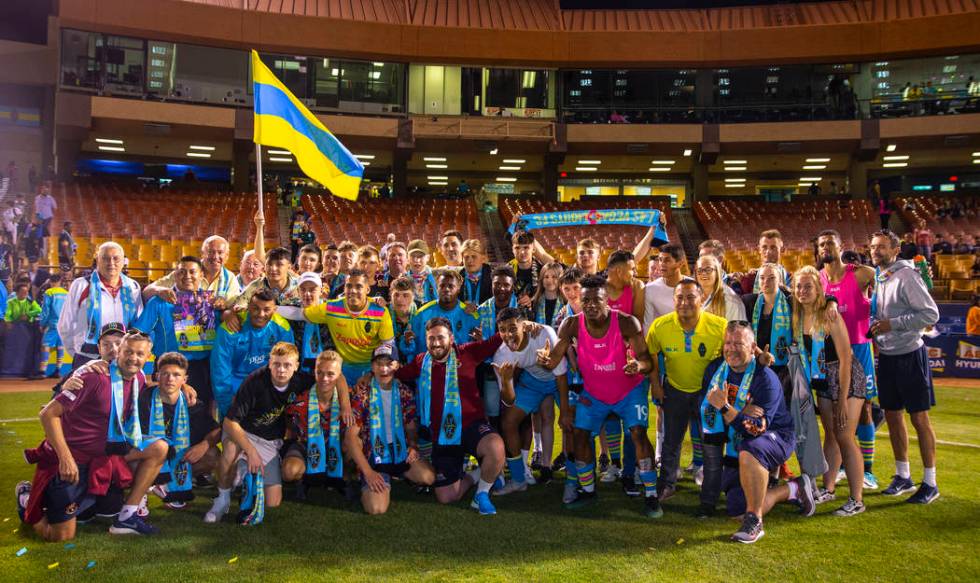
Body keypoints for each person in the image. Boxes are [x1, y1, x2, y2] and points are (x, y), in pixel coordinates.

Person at [18, 331, 168, 539]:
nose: (134, 358)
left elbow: (162, 388)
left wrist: (185, 386)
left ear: (148, 356)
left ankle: (127, 515)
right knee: (62, 535)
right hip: (74, 459)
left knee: (159, 448)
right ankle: (26, 500)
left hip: (106, 456)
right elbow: (47, 414)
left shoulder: (139, 378)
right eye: (128, 352)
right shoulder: (93, 376)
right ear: (119, 352)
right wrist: (66, 458)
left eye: (140, 354)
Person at [538, 275, 663, 517]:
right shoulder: (571, 324)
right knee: (579, 435)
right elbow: (554, 359)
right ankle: (588, 490)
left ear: (607, 301)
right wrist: (544, 360)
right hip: (594, 394)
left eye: (597, 300)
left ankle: (651, 495)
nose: (591, 305)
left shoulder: (627, 323)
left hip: (628, 391)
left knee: (638, 433)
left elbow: (647, 360)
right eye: (586, 300)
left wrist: (638, 365)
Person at [701, 322, 816, 542]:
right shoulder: (715, 371)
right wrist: (739, 410)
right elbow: (707, 413)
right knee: (736, 510)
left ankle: (755, 521)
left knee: (750, 449)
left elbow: (755, 429)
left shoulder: (765, 378)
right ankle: (794, 489)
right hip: (739, 438)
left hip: (777, 436)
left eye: (739, 343)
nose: (732, 348)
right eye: (728, 342)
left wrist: (726, 408)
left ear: (753, 347)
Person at [394, 317, 506, 515]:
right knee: (447, 497)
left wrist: (523, 326)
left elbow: (496, 340)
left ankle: (481, 495)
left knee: (495, 447)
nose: (436, 343)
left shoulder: (468, 352)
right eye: (431, 339)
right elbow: (400, 374)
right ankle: (479, 474)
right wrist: (376, 373)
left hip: (472, 426)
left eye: (440, 337)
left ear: (451, 338)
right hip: (443, 436)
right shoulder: (422, 361)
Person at [868, 230, 941, 504]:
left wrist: (892, 324)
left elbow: (930, 314)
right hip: (887, 355)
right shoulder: (881, 277)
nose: (876, 251)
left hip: (910, 354)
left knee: (919, 419)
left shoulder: (907, 276)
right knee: (893, 416)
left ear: (896, 250)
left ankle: (930, 482)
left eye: (882, 247)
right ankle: (903, 476)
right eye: (873, 247)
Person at [204, 342, 312, 524]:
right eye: (276, 364)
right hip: (243, 433)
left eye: (287, 365)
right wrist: (251, 451)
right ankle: (222, 500)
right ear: (269, 363)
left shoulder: (300, 380)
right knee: (230, 449)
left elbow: (333, 377)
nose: (281, 370)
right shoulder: (255, 382)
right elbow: (230, 423)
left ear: (296, 366)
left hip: (269, 441)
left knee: (273, 502)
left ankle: (245, 470)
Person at [792, 266, 867, 516]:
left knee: (845, 436)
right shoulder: (798, 316)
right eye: (798, 286)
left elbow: (846, 357)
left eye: (808, 286)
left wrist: (843, 399)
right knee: (831, 434)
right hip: (822, 381)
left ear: (818, 289)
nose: (802, 291)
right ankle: (829, 487)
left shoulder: (829, 313)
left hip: (844, 378)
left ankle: (857, 499)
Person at [646, 278, 727, 502]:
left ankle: (711, 490)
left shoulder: (719, 326)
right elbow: (651, 353)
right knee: (671, 442)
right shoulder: (660, 326)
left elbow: (738, 347)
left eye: (691, 297)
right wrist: (656, 385)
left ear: (701, 299)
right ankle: (667, 485)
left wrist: (759, 355)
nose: (685, 302)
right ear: (673, 300)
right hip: (675, 390)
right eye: (680, 297)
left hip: (707, 395)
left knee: (710, 442)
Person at [817, 230, 880, 490]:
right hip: (830, 354)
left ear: (841, 245)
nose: (826, 247)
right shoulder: (818, 278)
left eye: (831, 242)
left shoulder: (861, 273)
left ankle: (868, 470)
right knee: (833, 414)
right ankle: (840, 466)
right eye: (821, 244)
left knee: (864, 409)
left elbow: (885, 279)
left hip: (859, 348)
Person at [346, 346, 435, 514]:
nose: (384, 369)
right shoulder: (362, 395)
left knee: (428, 477)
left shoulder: (404, 392)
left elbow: (410, 426)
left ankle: (398, 475)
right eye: (379, 363)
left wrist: (413, 446)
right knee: (376, 508)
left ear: (397, 366)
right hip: (373, 454)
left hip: (398, 450)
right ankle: (368, 479)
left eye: (389, 363)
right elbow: (350, 437)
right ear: (372, 367)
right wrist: (368, 472)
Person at [492, 307, 568, 495]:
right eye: (502, 330)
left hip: (558, 379)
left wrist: (565, 411)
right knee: (508, 421)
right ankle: (518, 479)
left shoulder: (543, 334)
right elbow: (508, 401)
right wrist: (507, 381)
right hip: (533, 383)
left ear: (524, 327)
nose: (508, 334)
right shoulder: (501, 356)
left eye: (512, 328)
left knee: (571, 423)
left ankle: (575, 480)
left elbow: (561, 376)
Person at [138, 352, 220, 510]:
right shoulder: (144, 398)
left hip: (175, 458)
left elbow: (217, 430)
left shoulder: (191, 403)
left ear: (185, 380)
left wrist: (203, 445)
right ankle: (144, 489)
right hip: (149, 456)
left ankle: (170, 484)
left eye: (176, 375)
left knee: (212, 455)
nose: (170, 379)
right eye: (165, 374)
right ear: (157, 376)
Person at [285, 269, 393, 386]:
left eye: (358, 286)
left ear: (367, 289)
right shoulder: (332, 308)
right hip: (342, 367)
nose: (352, 290)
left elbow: (389, 346)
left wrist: (372, 373)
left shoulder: (380, 311)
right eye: (349, 286)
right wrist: (271, 308)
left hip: (371, 367)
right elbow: (300, 314)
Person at [134, 256, 218, 407]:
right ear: (174, 274)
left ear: (201, 275)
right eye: (182, 272)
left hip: (201, 368)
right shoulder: (159, 302)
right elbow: (140, 334)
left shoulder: (210, 303)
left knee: (199, 413)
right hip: (168, 366)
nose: (187, 276)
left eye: (193, 272)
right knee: (166, 413)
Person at [58, 242, 143, 370]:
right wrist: (77, 352)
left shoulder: (133, 286)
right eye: (105, 258)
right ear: (97, 260)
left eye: (116, 258)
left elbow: (138, 322)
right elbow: (65, 324)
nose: (111, 263)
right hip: (88, 357)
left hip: (123, 358)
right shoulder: (81, 285)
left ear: (123, 261)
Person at [210, 289, 294, 419]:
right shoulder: (230, 328)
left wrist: (278, 398)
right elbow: (220, 371)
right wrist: (228, 406)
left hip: (267, 388)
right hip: (235, 388)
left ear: (275, 309)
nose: (260, 314)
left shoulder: (282, 328)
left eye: (267, 310)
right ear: (248, 306)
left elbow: (287, 367)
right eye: (255, 308)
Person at [281, 350, 354, 500]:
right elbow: (287, 420)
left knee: (354, 444)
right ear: (314, 372)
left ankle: (342, 476)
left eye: (330, 374)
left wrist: (345, 406)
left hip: (336, 445)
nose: (324, 378)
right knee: (289, 472)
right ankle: (308, 476)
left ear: (339, 375)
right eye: (319, 373)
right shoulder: (300, 399)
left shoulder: (349, 398)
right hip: (307, 446)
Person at [144, 236, 242, 304]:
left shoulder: (230, 278)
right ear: (202, 254)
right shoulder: (185, 272)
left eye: (220, 252)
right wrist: (160, 290)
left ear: (227, 256)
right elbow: (146, 292)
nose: (215, 256)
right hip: (181, 327)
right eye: (210, 252)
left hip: (213, 329)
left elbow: (234, 304)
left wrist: (224, 306)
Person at [408, 269, 480, 361]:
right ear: (437, 288)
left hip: (459, 370)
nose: (446, 289)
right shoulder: (421, 314)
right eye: (442, 286)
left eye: (451, 286)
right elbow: (410, 348)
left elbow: (476, 349)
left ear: (458, 289)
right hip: (428, 370)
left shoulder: (471, 315)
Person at [230, 247, 297, 312]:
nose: (273, 269)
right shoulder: (256, 285)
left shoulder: (300, 285)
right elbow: (239, 304)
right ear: (264, 267)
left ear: (289, 267)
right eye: (269, 264)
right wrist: (241, 308)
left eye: (279, 264)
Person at [696, 254, 746, 322]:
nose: (704, 273)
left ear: (717, 272)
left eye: (708, 270)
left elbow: (738, 330)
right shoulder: (692, 296)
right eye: (699, 270)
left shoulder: (731, 301)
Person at [39, 273, 69, 378]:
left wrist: (42, 323)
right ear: (60, 281)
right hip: (64, 325)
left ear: (51, 282)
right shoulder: (66, 293)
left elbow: (45, 311)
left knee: (45, 345)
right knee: (60, 346)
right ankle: (58, 370)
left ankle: (42, 371)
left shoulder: (49, 292)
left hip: (53, 324)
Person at [510, 231, 543, 305]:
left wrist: (532, 300)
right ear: (512, 250)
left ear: (533, 249)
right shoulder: (506, 271)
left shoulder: (542, 270)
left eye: (526, 247)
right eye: (517, 248)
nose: (522, 252)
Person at [460, 239, 493, 306]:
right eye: (466, 257)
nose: (469, 260)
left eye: (474, 257)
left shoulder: (493, 278)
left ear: (483, 258)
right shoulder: (457, 278)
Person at [406, 239, 437, 305]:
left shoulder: (436, 276)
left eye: (420, 256)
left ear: (428, 258)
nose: (416, 260)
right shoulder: (403, 279)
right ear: (407, 258)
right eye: (413, 256)